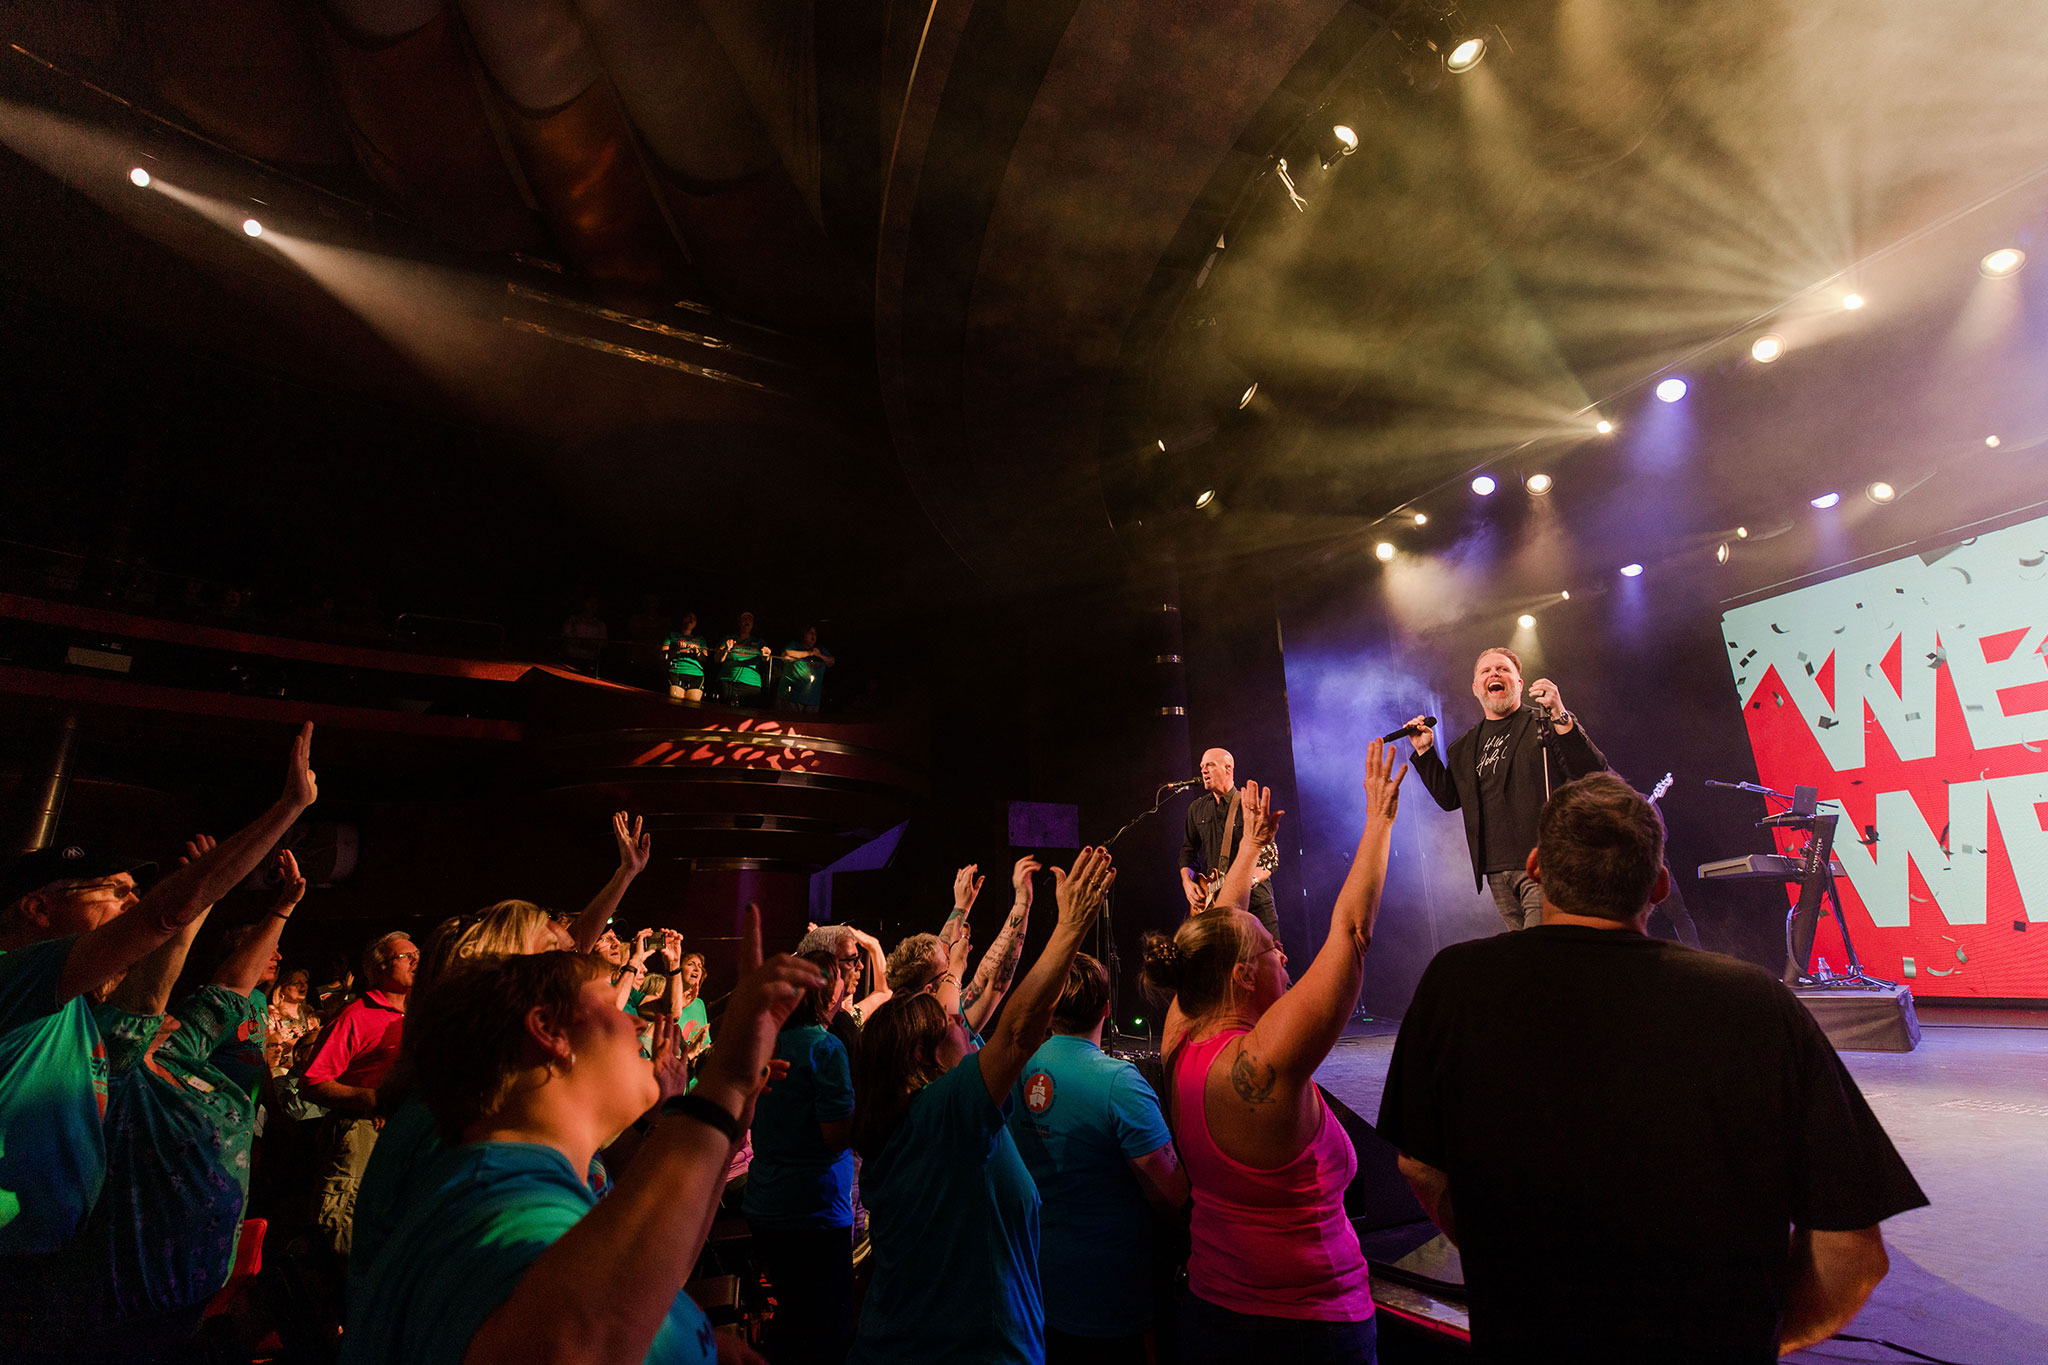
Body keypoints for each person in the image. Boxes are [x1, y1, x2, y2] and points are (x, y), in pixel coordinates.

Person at [1379, 773, 1927, 1360]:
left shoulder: (1458, 982)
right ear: (1660, 885)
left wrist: (1505, 1267)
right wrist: (1758, 1338)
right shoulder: (1754, 1003)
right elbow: (1855, 1254)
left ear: (1535, 867)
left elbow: (1419, 1165)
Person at [343, 942, 823, 1365]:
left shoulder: (515, 1178)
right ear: (548, 1030)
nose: (636, 1018)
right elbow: (574, 1345)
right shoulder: (502, 1201)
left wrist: (731, 1122)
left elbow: (638, 1276)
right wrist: (720, 1088)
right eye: (609, 1001)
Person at [0, 722, 318, 1258]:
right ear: (38, 908)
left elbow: (156, 984)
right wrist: (287, 809)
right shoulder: (13, 975)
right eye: (115, 891)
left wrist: (222, 904)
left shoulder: (70, 1007)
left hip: (50, 1256)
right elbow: (162, 918)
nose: (131, 904)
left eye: (135, 893)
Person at [1142, 747, 1405, 1365]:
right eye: (1271, 953)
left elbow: (1221, 924)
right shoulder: (1262, 1062)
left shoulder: (1179, 1035)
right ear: (1240, 977)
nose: (1283, 958)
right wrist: (1379, 821)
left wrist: (1246, 851)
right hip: (1308, 1331)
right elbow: (1352, 935)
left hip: (1210, 1313)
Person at [11, 851, 309, 1357]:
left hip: (186, 1300)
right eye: (117, 893)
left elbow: (231, 987)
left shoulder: (175, 1048)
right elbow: (148, 990)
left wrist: (281, 909)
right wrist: (202, 893)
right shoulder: (109, 1045)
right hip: (119, 1307)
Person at [850, 846, 1117, 1365]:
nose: (965, 1027)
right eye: (952, 1024)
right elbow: (1017, 1030)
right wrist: (1071, 924)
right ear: (924, 1055)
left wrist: (994, 907)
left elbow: (987, 985)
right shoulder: (941, 1114)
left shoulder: (905, 1113)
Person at [1008, 952, 1187, 1363]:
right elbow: (1171, 1194)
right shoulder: (1119, 1083)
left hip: (1032, 1282)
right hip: (1106, 1300)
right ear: (1107, 1009)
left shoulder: (1013, 1068)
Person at [1403, 646, 1608, 931]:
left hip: (1543, 862)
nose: (1494, 674)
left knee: (1540, 949)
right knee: (1527, 958)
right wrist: (1426, 753)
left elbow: (1592, 771)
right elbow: (1450, 799)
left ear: (1519, 684)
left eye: (1503, 669)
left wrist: (1561, 715)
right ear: (1476, 688)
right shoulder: (1463, 747)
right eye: (1485, 671)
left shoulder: (1545, 723)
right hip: (1496, 870)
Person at [744, 948, 858, 1364]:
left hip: (766, 1202)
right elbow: (834, 1136)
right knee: (828, 1327)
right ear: (827, 992)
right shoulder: (825, 1049)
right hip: (814, 1208)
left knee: (790, 1316)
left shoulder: (766, 1040)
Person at [299, 928, 417, 1255]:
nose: (417, 962)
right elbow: (312, 1081)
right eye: (407, 957)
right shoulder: (357, 1016)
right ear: (378, 968)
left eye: (419, 955)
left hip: (405, 1134)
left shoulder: (420, 1014)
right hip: (363, 1132)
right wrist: (368, 1098)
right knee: (344, 1227)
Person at [882, 856, 1041, 1036]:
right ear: (930, 991)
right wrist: (1022, 902)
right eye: (947, 967)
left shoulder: (902, 1020)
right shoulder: (940, 1024)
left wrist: (962, 906)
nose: (952, 955)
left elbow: (939, 950)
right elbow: (992, 980)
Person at [1179, 748, 1280, 939]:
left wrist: (1243, 883)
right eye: (1202, 767)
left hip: (1255, 904)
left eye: (1209, 765)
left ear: (1228, 768)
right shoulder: (1196, 809)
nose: (1203, 770)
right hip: (1216, 906)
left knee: (1270, 959)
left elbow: (1270, 861)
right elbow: (1188, 851)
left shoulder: (1248, 805)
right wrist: (1187, 882)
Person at [717, 611, 775, 706]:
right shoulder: (729, 638)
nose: (747, 621)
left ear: (753, 624)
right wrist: (726, 649)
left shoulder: (759, 642)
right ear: (739, 622)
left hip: (751, 684)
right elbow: (718, 659)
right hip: (728, 681)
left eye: (750, 619)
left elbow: (766, 659)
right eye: (744, 619)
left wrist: (767, 654)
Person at [774, 625, 835, 713]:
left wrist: (819, 655)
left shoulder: (820, 649)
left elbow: (832, 661)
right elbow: (787, 653)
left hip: (812, 700)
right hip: (791, 698)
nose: (813, 635)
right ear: (803, 634)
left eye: (815, 633)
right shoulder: (794, 645)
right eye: (810, 633)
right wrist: (809, 653)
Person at [266, 965, 316, 1070]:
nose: (303, 986)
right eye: (297, 983)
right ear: (282, 989)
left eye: (305, 982)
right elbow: (269, 1048)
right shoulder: (272, 1013)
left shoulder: (309, 1013)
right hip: (280, 1072)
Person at [665, 611, 710, 702]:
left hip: (696, 674)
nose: (691, 620)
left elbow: (705, 658)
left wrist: (697, 651)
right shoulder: (672, 635)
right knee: (675, 704)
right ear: (683, 618)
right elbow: (663, 655)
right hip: (676, 672)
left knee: (692, 706)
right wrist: (675, 649)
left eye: (694, 619)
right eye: (689, 617)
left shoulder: (700, 639)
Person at [562, 593, 609, 673]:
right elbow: (565, 637)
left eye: (595, 603)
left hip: (590, 660)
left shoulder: (600, 624)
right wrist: (581, 644)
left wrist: (590, 646)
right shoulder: (573, 620)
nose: (592, 605)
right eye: (589, 602)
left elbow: (603, 643)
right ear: (584, 603)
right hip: (572, 659)